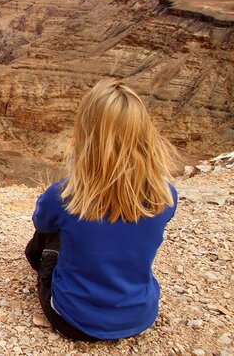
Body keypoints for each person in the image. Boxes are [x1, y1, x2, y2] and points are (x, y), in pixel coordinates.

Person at [25, 78, 178, 341]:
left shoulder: (66, 196)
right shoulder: (166, 196)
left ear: (87, 132)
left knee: (50, 232)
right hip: (140, 317)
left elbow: (41, 222)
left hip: (71, 319)